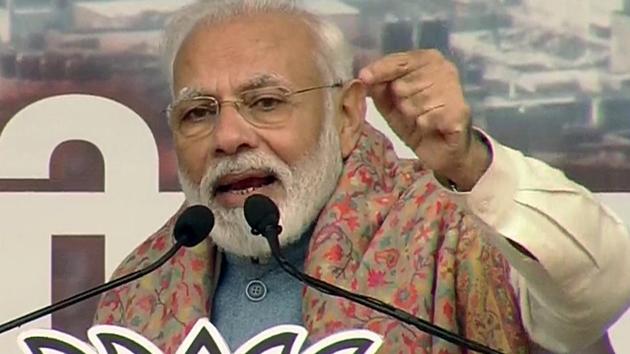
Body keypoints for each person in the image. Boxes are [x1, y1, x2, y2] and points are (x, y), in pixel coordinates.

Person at [94, 1, 630, 353]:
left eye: (265, 102)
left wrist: (471, 166)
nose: (228, 136)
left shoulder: (458, 224)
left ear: (347, 116)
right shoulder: (141, 283)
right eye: (198, 112)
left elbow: (602, 289)